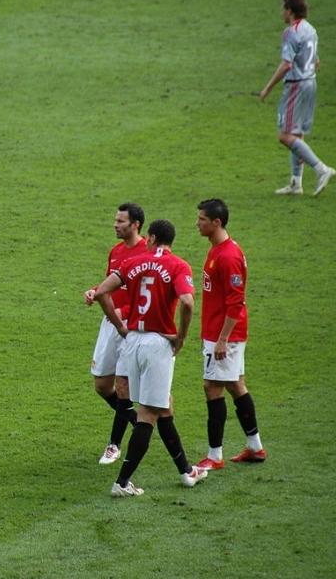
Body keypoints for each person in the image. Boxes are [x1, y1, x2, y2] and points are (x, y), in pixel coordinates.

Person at [95, 220, 207, 497]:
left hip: (131, 340)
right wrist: (180, 336)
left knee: (163, 407)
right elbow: (189, 302)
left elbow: (101, 292)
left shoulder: (133, 262)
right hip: (158, 345)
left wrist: (121, 327)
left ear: (152, 237)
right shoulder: (178, 266)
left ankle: (186, 472)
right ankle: (121, 483)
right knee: (148, 414)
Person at [195, 199, 266, 471]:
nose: (197, 223)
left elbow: (236, 302)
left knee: (212, 387)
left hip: (223, 333)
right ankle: (255, 447)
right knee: (236, 384)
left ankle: (214, 456)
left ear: (217, 222)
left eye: (202, 219)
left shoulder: (227, 256)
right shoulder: (218, 250)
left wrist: (223, 339)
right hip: (219, 330)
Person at [84, 203, 148, 465]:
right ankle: (140, 421)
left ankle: (114, 445)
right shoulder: (116, 251)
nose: (115, 225)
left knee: (123, 387)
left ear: (136, 225)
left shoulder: (147, 253)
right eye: (115, 220)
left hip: (131, 327)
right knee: (102, 385)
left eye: (121, 221)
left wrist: (125, 310)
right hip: (110, 322)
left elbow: (150, 293)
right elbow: (110, 284)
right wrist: (95, 291)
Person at [259, 0, 334, 196]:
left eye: (284, 8)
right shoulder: (311, 29)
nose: (282, 12)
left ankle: (321, 169)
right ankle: (296, 183)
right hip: (310, 82)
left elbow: (286, 64)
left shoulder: (291, 33)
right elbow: (316, 61)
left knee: (285, 135)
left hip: (296, 85)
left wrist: (268, 87)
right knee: (297, 134)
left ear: (290, 11)